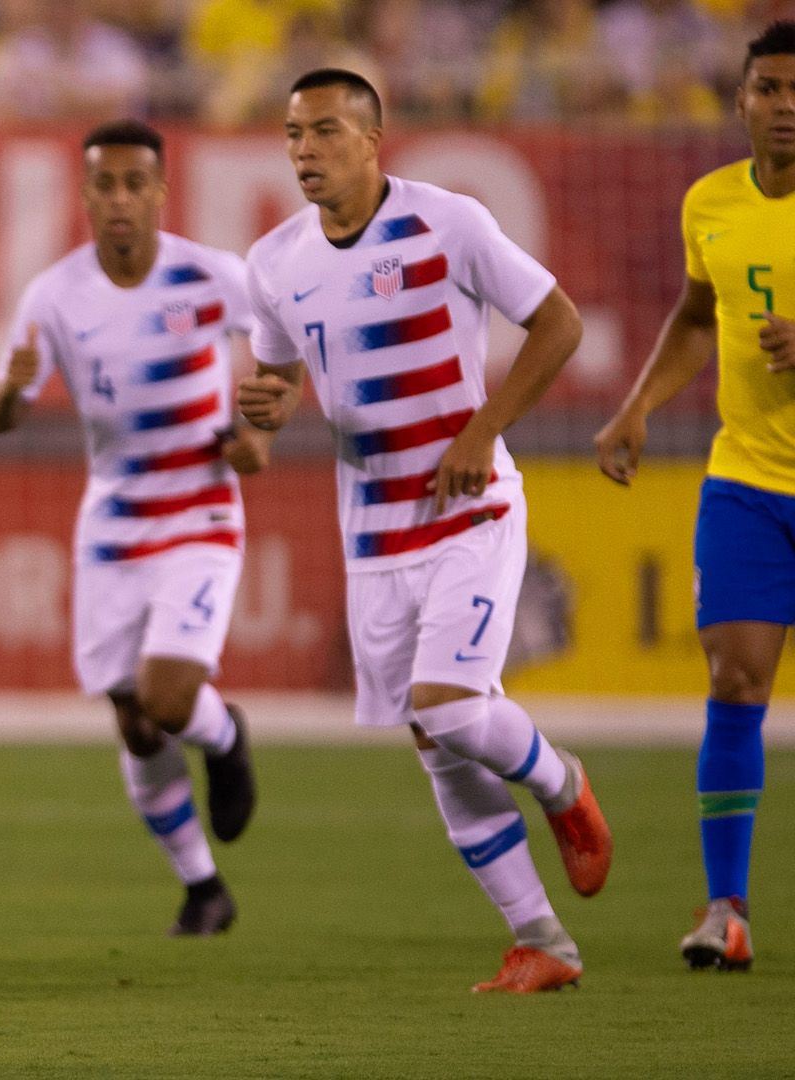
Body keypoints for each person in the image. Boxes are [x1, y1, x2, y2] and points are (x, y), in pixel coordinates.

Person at [238, 69, 612, 992]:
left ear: (373, 139)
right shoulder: (274, 263)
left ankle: (562, 783)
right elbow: (279, 379)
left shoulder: (450, 222)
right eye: (293, 135)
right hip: (372, 535)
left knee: (449, 703)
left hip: (469, 511)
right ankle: (543, 942)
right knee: (435, 741)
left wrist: (484, 431)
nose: (304, 151)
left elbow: (557, 323)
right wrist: (263, 409)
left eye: (324, 131)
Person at [0, 119, 266, 937]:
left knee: (170, 696)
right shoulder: (54, 295)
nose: (118, 200)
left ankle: (224, 734)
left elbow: (277, 351)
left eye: (134, 184)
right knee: (135, 719)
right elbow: (5, 412)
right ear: (84, 195)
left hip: (201, 508)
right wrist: (11, 392)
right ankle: (203, 886)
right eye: (103, 185)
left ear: (160, 192)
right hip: (112, 521)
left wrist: (260, 431)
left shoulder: (212, 276)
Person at [594, 19, 795, 974]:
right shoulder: (709, 202)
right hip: (749, 480)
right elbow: (695, 314)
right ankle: (726, 909)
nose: (785, 106)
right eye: (769, 89)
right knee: (734, 683)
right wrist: (635, 408)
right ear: (743, 99)